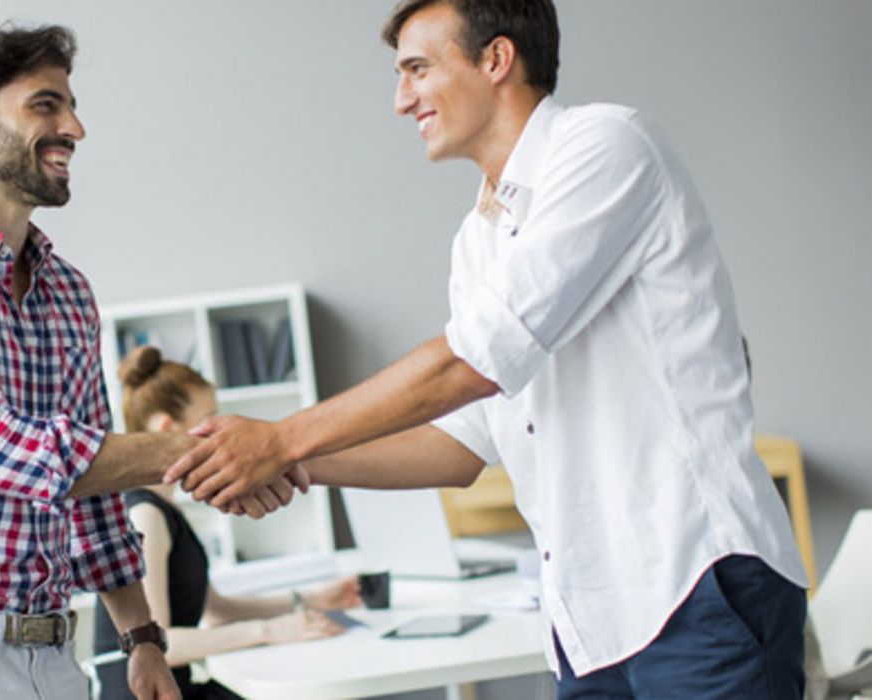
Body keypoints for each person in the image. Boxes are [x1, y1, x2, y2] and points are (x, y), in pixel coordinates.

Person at [164, 1, 809, 698]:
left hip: (694, 586)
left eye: (416, 69)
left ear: (495, 60)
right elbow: (460, 445)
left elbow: (474, 360)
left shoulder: (606, 147)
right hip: (589, 621)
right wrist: (296, 467)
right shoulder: (477, 239)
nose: (399, 99)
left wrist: (282, 440)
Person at [0, 24, 301, 700]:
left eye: (71, 106)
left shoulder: (65, 291)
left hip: (53, 649)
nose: (74, 127)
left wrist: (142, 638)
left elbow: (91, 490)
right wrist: (213, 452)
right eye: (45, 105)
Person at [91, 347, 362, 699]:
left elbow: (217, 609)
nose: (221, 436)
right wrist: (269, 630)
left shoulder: (165, 509)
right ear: (167, 428)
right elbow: (161, 643)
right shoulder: (145, 516)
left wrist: (310, 600)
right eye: (209, 421)